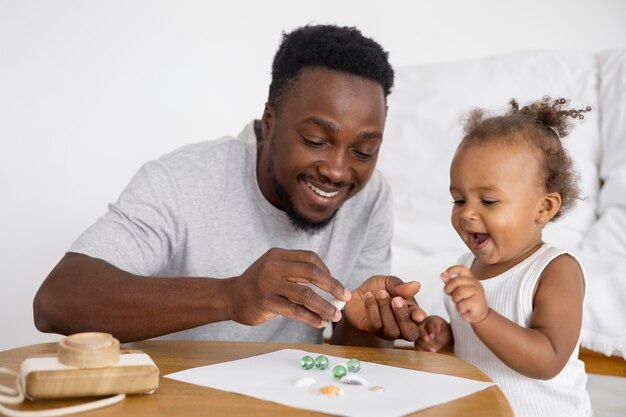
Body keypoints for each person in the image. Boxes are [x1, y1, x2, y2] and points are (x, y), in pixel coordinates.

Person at [33, 24, 426, 347]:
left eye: (363, 151)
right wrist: (230, 296)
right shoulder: (182, 180)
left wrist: (362, 323)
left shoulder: (370, 197)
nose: (339, 171)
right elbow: (57, 301)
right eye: (315, 141)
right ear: (269, 122)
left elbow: (350, 359)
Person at [415, 97, 593, 417]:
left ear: (544, 208)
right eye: (458, 200)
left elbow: (548, 358)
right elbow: (480, 350)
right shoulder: (466, 267)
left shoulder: (555, 270)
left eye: (489, 201)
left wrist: (483, 317)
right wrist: (446, 336)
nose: (468, 213)